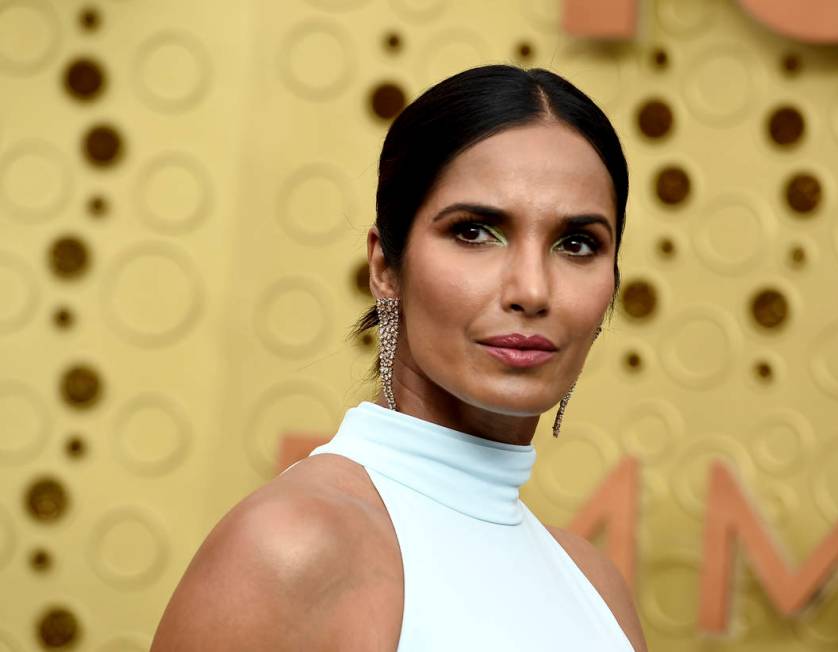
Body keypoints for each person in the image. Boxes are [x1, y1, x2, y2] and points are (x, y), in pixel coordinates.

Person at [150, 64, 648, 652]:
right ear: (386, 264)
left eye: (577, 243)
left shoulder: (597, 587)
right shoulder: (294, 546)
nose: (532, 290)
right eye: (475, 231)